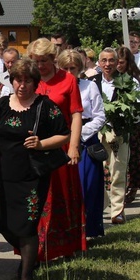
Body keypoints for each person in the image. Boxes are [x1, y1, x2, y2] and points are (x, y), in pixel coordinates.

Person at [0, 59, 70, 280]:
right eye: (17, 80)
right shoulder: (3, 104)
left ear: (35, 83)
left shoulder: (45, 106)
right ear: (12, 81)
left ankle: (26, 278)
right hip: (5, 176)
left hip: (32, 177)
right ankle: (29, 260)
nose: (22, 85)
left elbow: (64, 134)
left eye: (27, 81)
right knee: (5, 224)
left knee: (26, 226)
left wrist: (41, 143)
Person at [27, 37, 85, 261]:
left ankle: (66, 246)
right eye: (36, 60)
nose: (40, 65)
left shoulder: (67, 80)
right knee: (37, 197)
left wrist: (73, 146)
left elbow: (76, 113)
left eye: (44, 60)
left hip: (60, 147)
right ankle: (37, 250)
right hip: (35, 147)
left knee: (62, 196)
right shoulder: (30, 81)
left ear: (53, 59)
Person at [58, 50, 106, 238]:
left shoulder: (89, 87)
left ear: (80, 68)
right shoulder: (57, 88)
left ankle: (89, 230)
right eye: (65, 68)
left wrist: (78, 135)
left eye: (73, 68)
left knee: (87, 187)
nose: (70, 72)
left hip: (85, 141)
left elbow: (99, 116)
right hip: (60, 139)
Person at [91, 48, 133, 224]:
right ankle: (99, 206)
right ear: (99, 63)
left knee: (118, 170)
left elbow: (134, 105)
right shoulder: (92, 82)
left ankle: (117, 211)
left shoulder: (127, 82)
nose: (107, 64)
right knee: (97, 171)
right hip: (97, 132)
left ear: (117, 63)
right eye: (104, 61)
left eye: (111, 61)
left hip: (120, 132)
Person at [116, 46, 140, 204]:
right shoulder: (112, 78)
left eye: (121, 62)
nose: (118, 65)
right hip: (117, 124)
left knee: (134, 157)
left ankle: (133, 187)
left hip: (134, 124)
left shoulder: (134, 79)